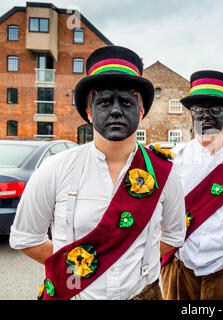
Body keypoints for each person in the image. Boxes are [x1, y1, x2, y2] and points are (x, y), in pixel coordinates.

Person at [9, 45, 186, 300]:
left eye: (126, 102)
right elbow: (26, 238)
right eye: (104, 102)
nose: (115, 110)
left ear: (142, 111)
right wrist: (81, 267)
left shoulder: (165, 174)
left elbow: (173, 235)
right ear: (89, 112)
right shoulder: (55, 169)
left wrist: (132, 260)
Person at [160, 70, 223, 300]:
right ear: (190, 116)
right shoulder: (173, 161)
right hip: (180, 273)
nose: (206, 116)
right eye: (199, 110)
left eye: (215, 110)